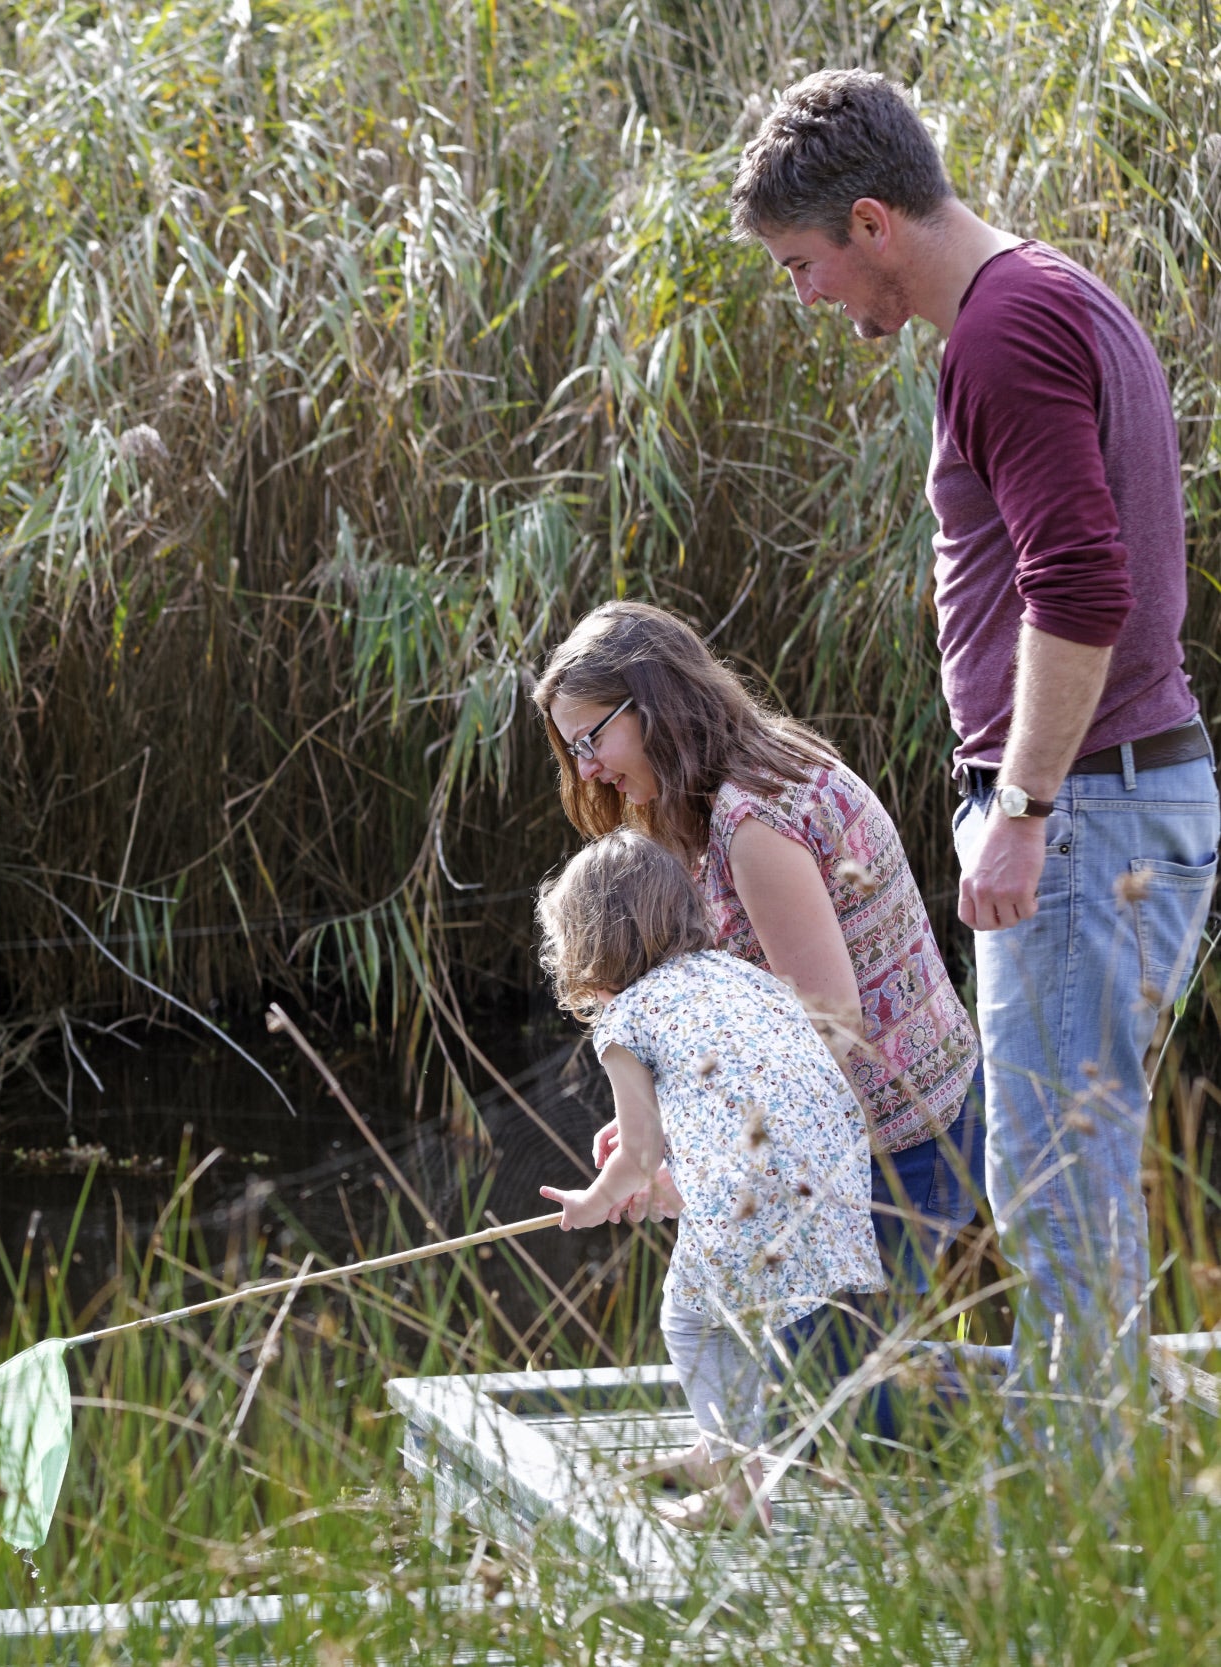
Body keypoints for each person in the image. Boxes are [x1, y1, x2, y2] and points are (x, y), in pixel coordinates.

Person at [731, 70, 1218, 1465]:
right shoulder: (1047, 295)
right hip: (1128, 792)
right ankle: (1097, 1469)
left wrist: (1020, 807)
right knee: (1073, 1168)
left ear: (872, 221)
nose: (807, 298)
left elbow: (1081, 581)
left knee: (1056, 1185)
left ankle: (1085, 1507)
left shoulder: (1003, 331)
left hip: (1089, 809)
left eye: (804, 267)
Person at [534, 601, 980, 1472]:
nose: (587, 769)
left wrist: (699, 1165)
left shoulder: (752, 825)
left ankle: (1084, 1390)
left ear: (651, 703)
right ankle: (1055, 1375)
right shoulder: (735, 776)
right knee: (816, 1392)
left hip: (900, 1146)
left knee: (842, 1415)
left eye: (593, 739)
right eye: (572, 750)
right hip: (864, 1137)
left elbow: (828, 1034)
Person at [536, 830, 883, 1530]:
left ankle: (739, 1490)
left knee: (693, 1323)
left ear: (585, 945)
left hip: (756, 1192)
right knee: (741, 1325)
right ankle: (727, 1451)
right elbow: (740, 1099)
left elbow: (634, 1159)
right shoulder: (738, 976)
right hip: (837, 1176)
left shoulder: (624, 1018)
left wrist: (592, 1201)